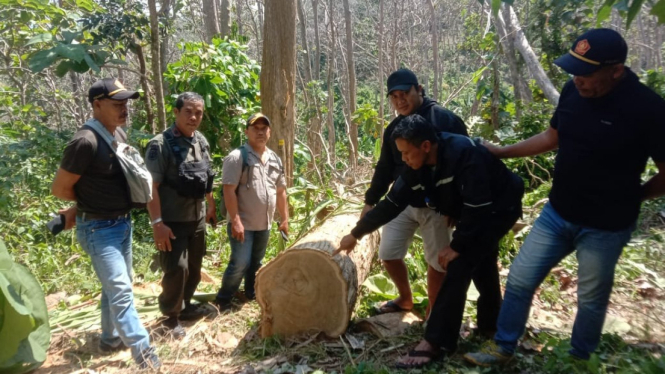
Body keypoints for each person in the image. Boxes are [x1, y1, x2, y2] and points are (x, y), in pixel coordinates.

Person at [464, 28, 665, 367]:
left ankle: (576, 360)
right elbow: (552, 136)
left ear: (616, 71)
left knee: (590, 298)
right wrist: (501, 152)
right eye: (574, 71)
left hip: (606, 227)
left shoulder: (648, 108)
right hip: (557, 214)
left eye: (586, 73)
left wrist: (635, 197)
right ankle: (503, 348)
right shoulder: (574, 91)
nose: (577, 80)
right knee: (520, 278)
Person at [336, 114, 524, 368]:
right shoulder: (416, 168)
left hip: (499, 207)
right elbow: (391, 204)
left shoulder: (465, 154)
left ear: (426, 146)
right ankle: (490, 326)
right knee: (483, 261)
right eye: (400, 154)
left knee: (459, 265)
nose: (403, 159)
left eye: (406, 153)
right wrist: (356, 234)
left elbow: (478, 207)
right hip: (474, 209)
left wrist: (456, 245)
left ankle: (435, 341)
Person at [51, 78, 160, 369]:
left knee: (114, 287)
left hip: (121, 225)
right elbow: (60, 188)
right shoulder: (85, 142)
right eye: (117, 104)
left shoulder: (117, 134)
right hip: (99, 229)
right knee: (121, 290)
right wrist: (87, 204)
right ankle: (144, 353)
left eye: (125, 104)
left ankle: (111, 339)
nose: (124, 109)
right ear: (97, 105)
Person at [363, 68, 468, 315]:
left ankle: (434, 315)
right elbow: (385, 167)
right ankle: (405, 299)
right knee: (388, 253)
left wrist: (455, 205)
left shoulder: (443, 119)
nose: (400, 101)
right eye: (394, 96)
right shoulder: (395, 128)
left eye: (405, 94)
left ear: (418, 90)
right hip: (403, 202)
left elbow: (465, 164)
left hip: (438, 207)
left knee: (438, 263)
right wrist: (370, 201)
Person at [145, 92, 217, 338]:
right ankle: (171, 317)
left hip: (196, 219)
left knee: (194, 269)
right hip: (171, 221)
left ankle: (185, 306)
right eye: (188, 111)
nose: (194, 117)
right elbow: (150, 188)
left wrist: (210, 204)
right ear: (176, 112)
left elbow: (205, 176)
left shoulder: (201, 141)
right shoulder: (160, 145)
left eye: (198, 112)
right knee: (177, 269)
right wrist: (157, 224)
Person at [214, 113, 288, 311]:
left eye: (264, 128)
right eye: (255, 128)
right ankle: (223, 299)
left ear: (270, 132)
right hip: (243, 223)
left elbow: (280, 191)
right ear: (247, 131)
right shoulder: (237, 157)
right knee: (240, 262)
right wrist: (236, 221)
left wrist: (285, 219)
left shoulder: (275, 159)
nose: (260, 132)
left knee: (256, 262)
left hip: (264, 223)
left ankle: (251, 292)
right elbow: (228, 191)